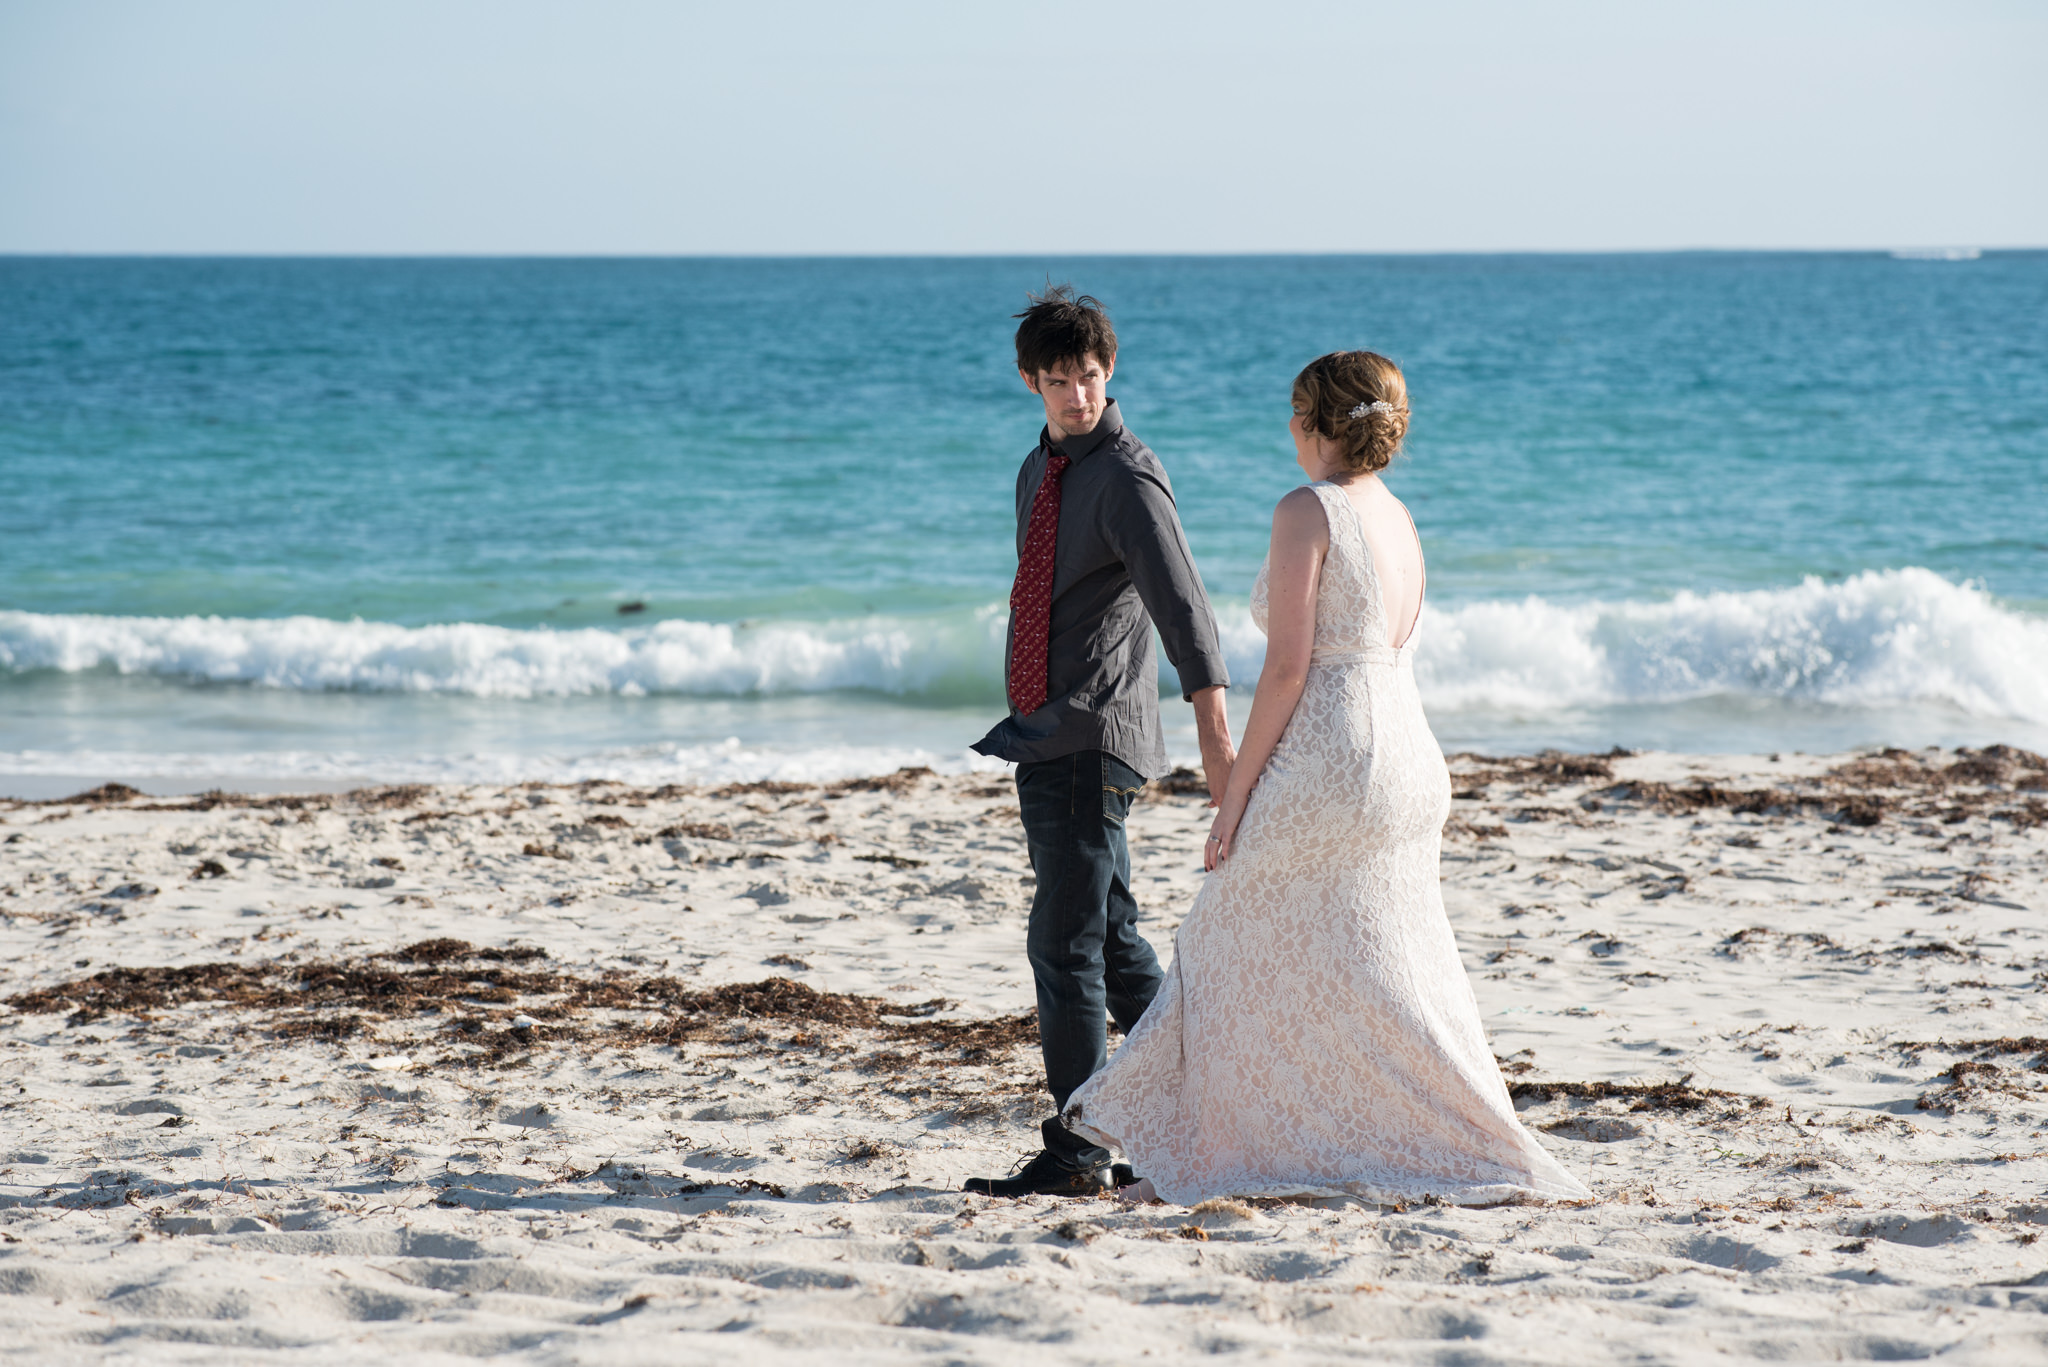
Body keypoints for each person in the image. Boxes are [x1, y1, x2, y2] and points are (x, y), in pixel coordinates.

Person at [1062, 351, 1593, 1207]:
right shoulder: (1402, 517)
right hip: (1411, 760)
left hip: (1337, 756)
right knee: (1384, 956)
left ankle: (1236, 1150)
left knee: (1225, 935)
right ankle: (1425, 1134)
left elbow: (1287, 670)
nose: (1287, 428)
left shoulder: (1307, 510)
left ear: (1318, 424)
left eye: (1294, 412)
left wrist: (1233, 793)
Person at [963, 286, 1236, 1198]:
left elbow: (1182, 605)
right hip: (1043, 734)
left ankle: (1079, 1149)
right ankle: (1206, 1106)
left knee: (1064, 943)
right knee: (1112, 941)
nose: (1078, 395)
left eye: (1089, 377)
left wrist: (1216, 741)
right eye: (1059, 381)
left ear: (1108, 371)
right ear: (1029, 382)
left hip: (1093, 733)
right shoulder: (1037, 472)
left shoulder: (1125, 473)